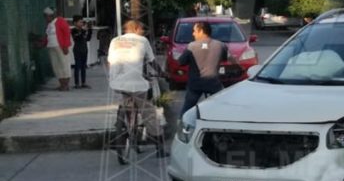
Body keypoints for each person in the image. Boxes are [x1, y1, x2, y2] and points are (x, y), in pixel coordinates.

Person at [107, 20, 165, 156]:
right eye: (142, 29)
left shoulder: (114, 41)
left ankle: (120, 130)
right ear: (136, 28)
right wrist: (162, 73)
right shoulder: (142, 41)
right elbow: (152, 62)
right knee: (149, 113)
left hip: (116, 82)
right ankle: (159, 148)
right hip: (136, 84)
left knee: (126, 102)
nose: (143, 32)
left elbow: (111, 62)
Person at [178, 21, 233, 117]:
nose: (193, 33)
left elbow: (181, 62)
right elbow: (229, 59)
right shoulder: (220, 45)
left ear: (201, 31)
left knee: (187, 110)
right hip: (214, 84)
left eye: (194, 31)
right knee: (220, 109)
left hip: (195, 85)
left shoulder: (191, 46)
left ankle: (182, 127)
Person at [43, 7, 73, 91]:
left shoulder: (60, 21)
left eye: (46, 16)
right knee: (56, 66)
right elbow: (47, 36)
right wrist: (43, 44)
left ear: (51, 15)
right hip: (51, 47)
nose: (45, 18)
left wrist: (65, 46)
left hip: (61, 46)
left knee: (64, 65)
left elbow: (67, 34)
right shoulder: (49, 24)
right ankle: (61, 84)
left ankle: (66, 85)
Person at [71, 15, 93, 89]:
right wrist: (84, 30)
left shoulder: (83, 31)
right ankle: (77, 83)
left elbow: (88, 39)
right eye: (80, 22)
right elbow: (77, 37)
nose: (81, 24)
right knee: (77, 66)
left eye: (82, 22)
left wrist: (90, 30)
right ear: (75, 23)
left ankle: (83, 82)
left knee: (83, 66)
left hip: (84, 49)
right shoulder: (74, 30)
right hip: (77, 49)